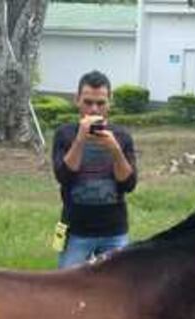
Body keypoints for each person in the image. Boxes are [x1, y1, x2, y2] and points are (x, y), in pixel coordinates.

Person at [52, 70, 137, 268]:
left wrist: (115, 150)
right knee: (67, 288)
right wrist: (80, 138)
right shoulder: (64, 134)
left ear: (110, 102)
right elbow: (63, 177)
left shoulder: (122, 136)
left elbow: (128, 184)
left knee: (116, 289)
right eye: (88, 102)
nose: (94, 110)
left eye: (100, 103)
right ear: (77, 100)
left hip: (114, 231)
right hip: (76, 231)